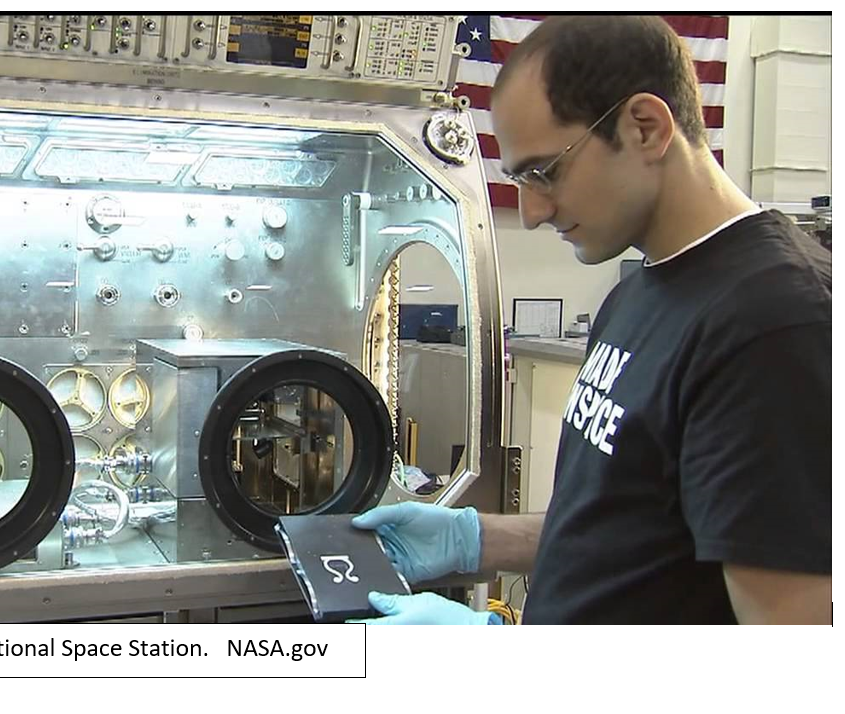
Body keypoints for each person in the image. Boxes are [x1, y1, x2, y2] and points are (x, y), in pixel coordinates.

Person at [353, 16, 831, 624]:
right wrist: (475, 539)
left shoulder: (776, 322)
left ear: (646, 128)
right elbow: (625, 529)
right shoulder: (634, 297)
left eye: (544, 172)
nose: (530, 213)